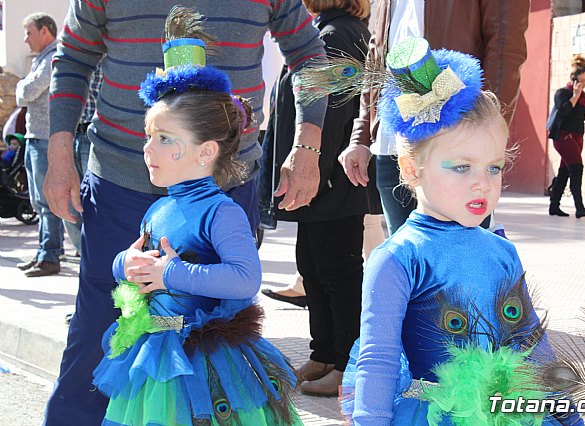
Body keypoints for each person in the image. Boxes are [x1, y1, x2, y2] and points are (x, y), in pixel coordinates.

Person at [42, 3, 327, 424]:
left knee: (217, 333)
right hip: (117, 182)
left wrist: (307, 146)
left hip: (227, 184)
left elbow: (310, 54)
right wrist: (59, 153)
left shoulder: (221, 214)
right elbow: (72, 57)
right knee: (97, 332)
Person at [341, 37, 583, 425]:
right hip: (432, 410)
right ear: (410, 170)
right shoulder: (399, 259)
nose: (482, 184)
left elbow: (531, 343)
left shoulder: (501, 251)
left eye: (494, 167)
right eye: (461, 167)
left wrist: (568, 415)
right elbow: (379, 359)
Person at [91, 29, 301, 423]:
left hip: (205, 362)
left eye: (164, 138)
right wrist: (126, 264)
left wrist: (171, 272)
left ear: (206, 152)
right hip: (154, 352)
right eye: (148, 136)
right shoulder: (159, 210)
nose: (148, 148)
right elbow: (140, 264)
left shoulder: (221, 212)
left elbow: (243, 279)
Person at [260, 0, 374, 397]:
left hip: (331, 180)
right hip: (322, 179)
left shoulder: (336, 33)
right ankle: (324, 354)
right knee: (312, 266)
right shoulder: (326, 29)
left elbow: (339, 110)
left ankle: (347, 365)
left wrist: (313, 173)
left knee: (338, 274)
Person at [338, 0, 530, 234]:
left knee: (460, 261)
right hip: (393, 141)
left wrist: (486, 129)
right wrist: (361, 134)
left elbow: (505, 46)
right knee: (405, 258)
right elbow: (376, 54)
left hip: (457, 141)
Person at [15, 12, 63, 277]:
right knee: (38, 201)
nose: (25, 39)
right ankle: (44, 253)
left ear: (45, 31)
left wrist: (23, 85)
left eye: (29, 33)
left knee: (46, 202)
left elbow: (28, 92)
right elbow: (24, 92)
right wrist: (24, 86)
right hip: (37, 136)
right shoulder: (41, 59)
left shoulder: (53, 56)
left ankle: (50, 256)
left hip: (45, 138)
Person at [547, 55, 585, 218]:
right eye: (581, 81)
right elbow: (564, 111)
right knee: (576, 168)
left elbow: (581, 115)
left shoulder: (583, 98)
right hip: (564, 138)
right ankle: (579, 207)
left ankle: (554, 206)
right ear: (573, 80)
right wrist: (575, 95)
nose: (583, 85)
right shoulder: (562, 93)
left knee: (565, 171)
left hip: (577, 138)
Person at [63, 65, 103, 257]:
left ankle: (94, 260)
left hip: (93, 135)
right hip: (71, 135)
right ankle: (86, 257)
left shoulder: (107, 55)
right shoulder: (74, 55)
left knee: (94, 203)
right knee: (69, 203)